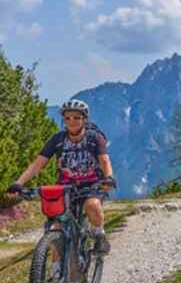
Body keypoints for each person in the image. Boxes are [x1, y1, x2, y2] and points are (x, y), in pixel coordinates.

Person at [8, 99, 117, 254]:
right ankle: (57, 271)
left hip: (93, 184)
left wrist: (109, 178)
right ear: (63, 120)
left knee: (92, 205)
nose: (72, 121)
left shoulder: (94, 138)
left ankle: (100, 235)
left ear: (84, 119)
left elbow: (104, 160)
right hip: (66, 186)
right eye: (67, 118)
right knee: (56, 227)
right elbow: (38, 164)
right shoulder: (57, 140)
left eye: (77, 118)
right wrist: (18, 183)